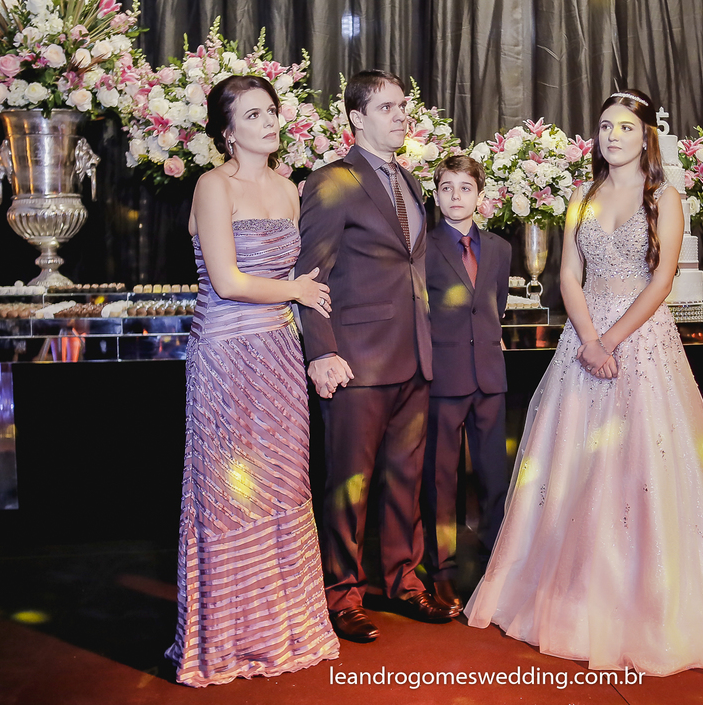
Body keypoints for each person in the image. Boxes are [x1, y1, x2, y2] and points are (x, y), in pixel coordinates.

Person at [464, 89, 703, 678]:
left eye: (624, 127)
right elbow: (569, 275)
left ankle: (651, 601)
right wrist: (589, 339)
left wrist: (610, 341)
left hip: (641, 342)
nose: (612, 136)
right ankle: (570, 599)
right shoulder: (581, 197)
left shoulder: (664, 197)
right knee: (574, 470)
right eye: (605, 126)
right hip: (583, 342)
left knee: (644, 466)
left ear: (646, 137)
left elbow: (662, 280)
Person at [168, 75, 339, 686]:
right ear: (227, 131)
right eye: (252, 115)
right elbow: (228, 280)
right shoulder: (213, 185)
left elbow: (311, 277)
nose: (268, 123)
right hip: (226, 356)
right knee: (231, 493)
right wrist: (296, 289)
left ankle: (284, 629)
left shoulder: (291, 190)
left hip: (279, 356)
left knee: (282, 485)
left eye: (271, 112)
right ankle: (230, 639)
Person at [295, 69, 458, 643]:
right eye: (387, 107)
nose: (401, 115)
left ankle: (404, 584)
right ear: (356, 118)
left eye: (403, 106)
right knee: (349, 485)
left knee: (405, 482)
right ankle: (342, 595)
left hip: (414, 357)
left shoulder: (409, 180)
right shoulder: (330, 181)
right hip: (356, 361)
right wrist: (321, 352)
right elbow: (310, 276)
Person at [421, 155, 512, 613]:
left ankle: (499, 563)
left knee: (495, 475)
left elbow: (495, 303)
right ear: (436, 195)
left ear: (480, 195)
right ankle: (442, 570)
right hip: (443, 377)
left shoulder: (499, 248)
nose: (456, 196)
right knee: (441, 479)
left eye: (465, 188)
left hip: (489, 377)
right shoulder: (422, 246)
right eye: (447, 188)